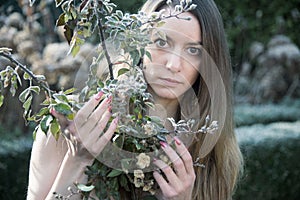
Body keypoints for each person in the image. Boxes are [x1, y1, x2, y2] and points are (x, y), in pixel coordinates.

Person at [26, 0, 243, 199]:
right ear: (138, 43)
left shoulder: (213, 155)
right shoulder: (70, 125)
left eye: (193, 49)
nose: (173, 65)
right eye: (161, 41)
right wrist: (78, 160)